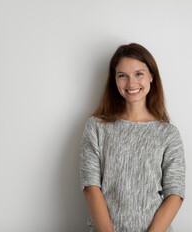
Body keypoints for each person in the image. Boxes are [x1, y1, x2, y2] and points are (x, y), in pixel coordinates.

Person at [79, 43, 186, 232]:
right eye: (122, 76)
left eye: (139, 74)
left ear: (152, 76)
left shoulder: (168, 134)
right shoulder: (96, 127)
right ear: (114, 80)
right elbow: (90, 186)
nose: (131, 83)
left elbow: (175, 194)